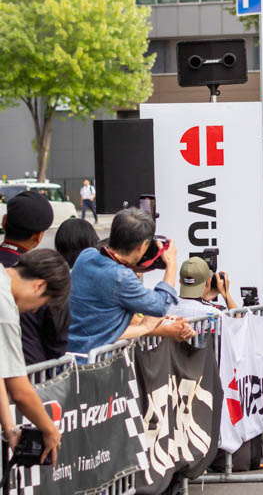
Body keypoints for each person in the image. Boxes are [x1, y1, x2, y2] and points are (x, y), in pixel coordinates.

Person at [67, 208, 193, 354]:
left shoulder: (86, 256)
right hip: (96, 365)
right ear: (141, 247)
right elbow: (159, 306)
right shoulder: (121, 277)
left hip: (72, 355)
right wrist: (171, 264)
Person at [1, 249, 72, 463]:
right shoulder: (4, 309)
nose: (34, 311)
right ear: (39, 286)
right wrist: (50, 430)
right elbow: (20, 390)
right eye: (43, 302)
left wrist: (10, 429)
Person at [0, 191, 69, 364]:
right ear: (38, 237)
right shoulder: (44, 273)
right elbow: (57, 339)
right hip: (34, 373)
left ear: (3, 221)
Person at [169, 257, 238, 319]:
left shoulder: (167, 307)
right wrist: (225, 294)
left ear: (180, 281)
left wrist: (202, 299)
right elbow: (238, 322)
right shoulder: (213, 313)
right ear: (208, 282)